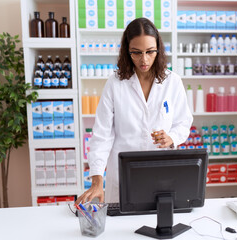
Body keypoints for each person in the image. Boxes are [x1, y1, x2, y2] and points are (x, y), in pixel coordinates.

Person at [76, 18, 193, 204]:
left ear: (158, 49)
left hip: (161, 172)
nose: (144, 59)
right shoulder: (115, 84)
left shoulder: (173, 82)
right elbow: (102, 135)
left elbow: (183, 122)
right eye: (136, 53)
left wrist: (172, 137)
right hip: (123, 175)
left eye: (150, 52)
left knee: (160, 223)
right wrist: (97, 179)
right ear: (127, 51)